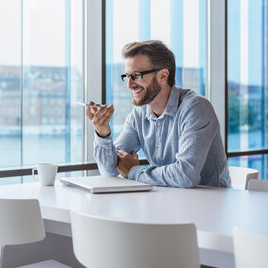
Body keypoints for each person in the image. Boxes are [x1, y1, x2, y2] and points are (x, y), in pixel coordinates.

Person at [86, 40, 231, 188]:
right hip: (167, 200)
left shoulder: (196, 109)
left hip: (209, 204)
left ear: (162, 75)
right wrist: (103, 133)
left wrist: (134, 172)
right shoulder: (139, 114)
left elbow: (185, 176)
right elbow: (109, 170)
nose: (129, 85)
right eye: (127, 76)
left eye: (136, 75)